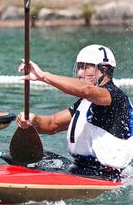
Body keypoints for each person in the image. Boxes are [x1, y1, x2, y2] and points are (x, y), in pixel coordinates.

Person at [16, 44, 133, 181]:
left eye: (85, 67)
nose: (79, 73)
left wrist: (43, 76)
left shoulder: (114, 96)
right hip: (79, 169)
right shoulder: (86, 102)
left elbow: (86, 90)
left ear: (103, 69)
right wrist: (32, 120)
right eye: (78, 67)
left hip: (105, 176)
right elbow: (52, 124)